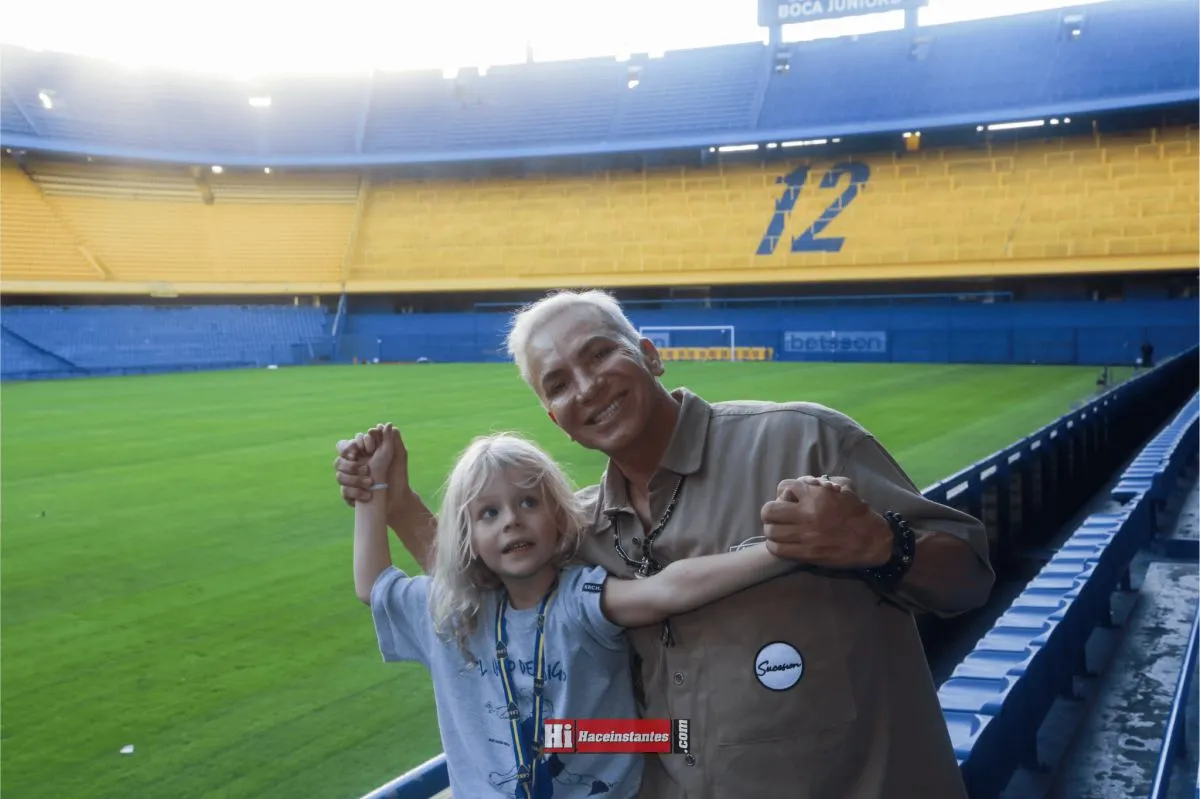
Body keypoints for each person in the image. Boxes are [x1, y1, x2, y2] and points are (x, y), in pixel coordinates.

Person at [336, 289, 995, 799]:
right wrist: (391, 496)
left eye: (599, 354)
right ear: (555, 418)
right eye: (558, 383)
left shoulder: (803, 442)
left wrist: (879, 543)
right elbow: (479, 582)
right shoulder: (575, 532)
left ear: (650, 355)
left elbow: (970, 578)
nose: (587, 386)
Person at [354, 424, 801, 799]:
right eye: (489, 512)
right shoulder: (454, 615)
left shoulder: (579, 600)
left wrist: (782, 552)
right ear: (466, 538)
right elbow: (372, 587)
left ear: (558, 517)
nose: (512, 519)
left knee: (669, 736)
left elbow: (667, 591)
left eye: (528, 502)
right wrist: (371, 491)